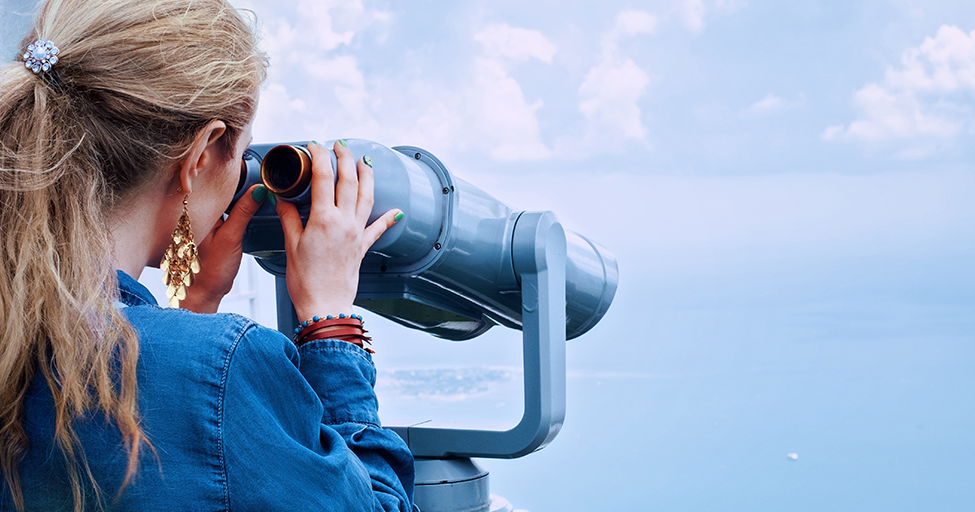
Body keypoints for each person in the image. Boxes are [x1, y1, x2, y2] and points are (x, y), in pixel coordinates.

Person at [0, 0, 414, 510]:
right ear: (199, 155)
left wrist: (192, 311)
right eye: (241, 156)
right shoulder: (225, 361)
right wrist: (329, 320)